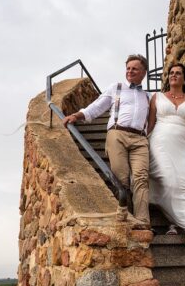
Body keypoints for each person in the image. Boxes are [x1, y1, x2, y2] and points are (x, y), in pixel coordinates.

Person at [62, 54, 152, 229]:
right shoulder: (116, 88)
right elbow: (96, 107)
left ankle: (142, 221)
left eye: (134, 68)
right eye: (128, 68)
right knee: (122, 178)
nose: (130, 71)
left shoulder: (148, 96)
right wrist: (77, 115)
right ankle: (124, 215)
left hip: (140, 139)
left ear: (143, 72)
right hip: (117, 134)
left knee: (141, 177)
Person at [147, 63, 185, 248]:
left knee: (184, 184)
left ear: (184, 78)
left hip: (183, 146)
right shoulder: (156, 98)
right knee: (168, 180)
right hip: (159, 142)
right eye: (171, 73)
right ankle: (179, 224)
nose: (174, 75)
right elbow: (149, 125)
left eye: (178, 73)